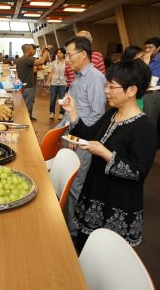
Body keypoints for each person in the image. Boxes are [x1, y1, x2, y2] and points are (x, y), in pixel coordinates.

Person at [61, 59, 158, 251]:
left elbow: (138, 172)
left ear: (132, 90)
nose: (106, 91)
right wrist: (73, 113)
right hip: (95, 192)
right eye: (106, 85)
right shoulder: (111, 114)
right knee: (84, 249)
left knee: (104, 256)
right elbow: (90, 136)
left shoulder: (144, 129)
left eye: (112, 87)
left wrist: (105, 153)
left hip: (116, 204)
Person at [61, 36, 106, 237]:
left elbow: (96, 115)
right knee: (67, 181)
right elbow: (71, 107)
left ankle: (74, 231)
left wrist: (77, 137)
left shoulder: (95, 78)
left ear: (83, 54)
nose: (67, 60)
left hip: (82, 140)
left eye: (70, 55)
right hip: (72, 136)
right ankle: (67, 222)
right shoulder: (78, 76)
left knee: (75, 184)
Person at [15, 43, 49, 120]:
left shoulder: (20, 59)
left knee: (25, 104)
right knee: (28, 104)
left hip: (21, 86)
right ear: (28, 50)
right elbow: (41, 61)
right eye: (31, 49)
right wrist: (47, 50)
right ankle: (26, 120)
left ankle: (27, 117)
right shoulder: (27, 59)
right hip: (28, 86)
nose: (33, 50)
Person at [143, 37, 160, 130]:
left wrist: (145, 64)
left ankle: (149, 143)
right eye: (146, 47)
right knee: (142, 120)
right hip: (145, 92)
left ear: (158, 48)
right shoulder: (149, 58)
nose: (147, 50)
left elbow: (150, 79)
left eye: (150, 47)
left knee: (149, 121)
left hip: (154, 94)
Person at [47, 48, 67, 120]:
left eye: (60, 53)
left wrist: (68, 82)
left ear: (64, 54)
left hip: (63, 83)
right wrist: (48, 82)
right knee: (52, 98)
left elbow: (68, 73)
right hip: (54, 82)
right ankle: (52, 112)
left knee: (62, 98)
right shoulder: (53, 63)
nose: (58, 54)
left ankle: (62, 113)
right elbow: (51, 73)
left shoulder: (67, 62)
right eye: (57, 53)